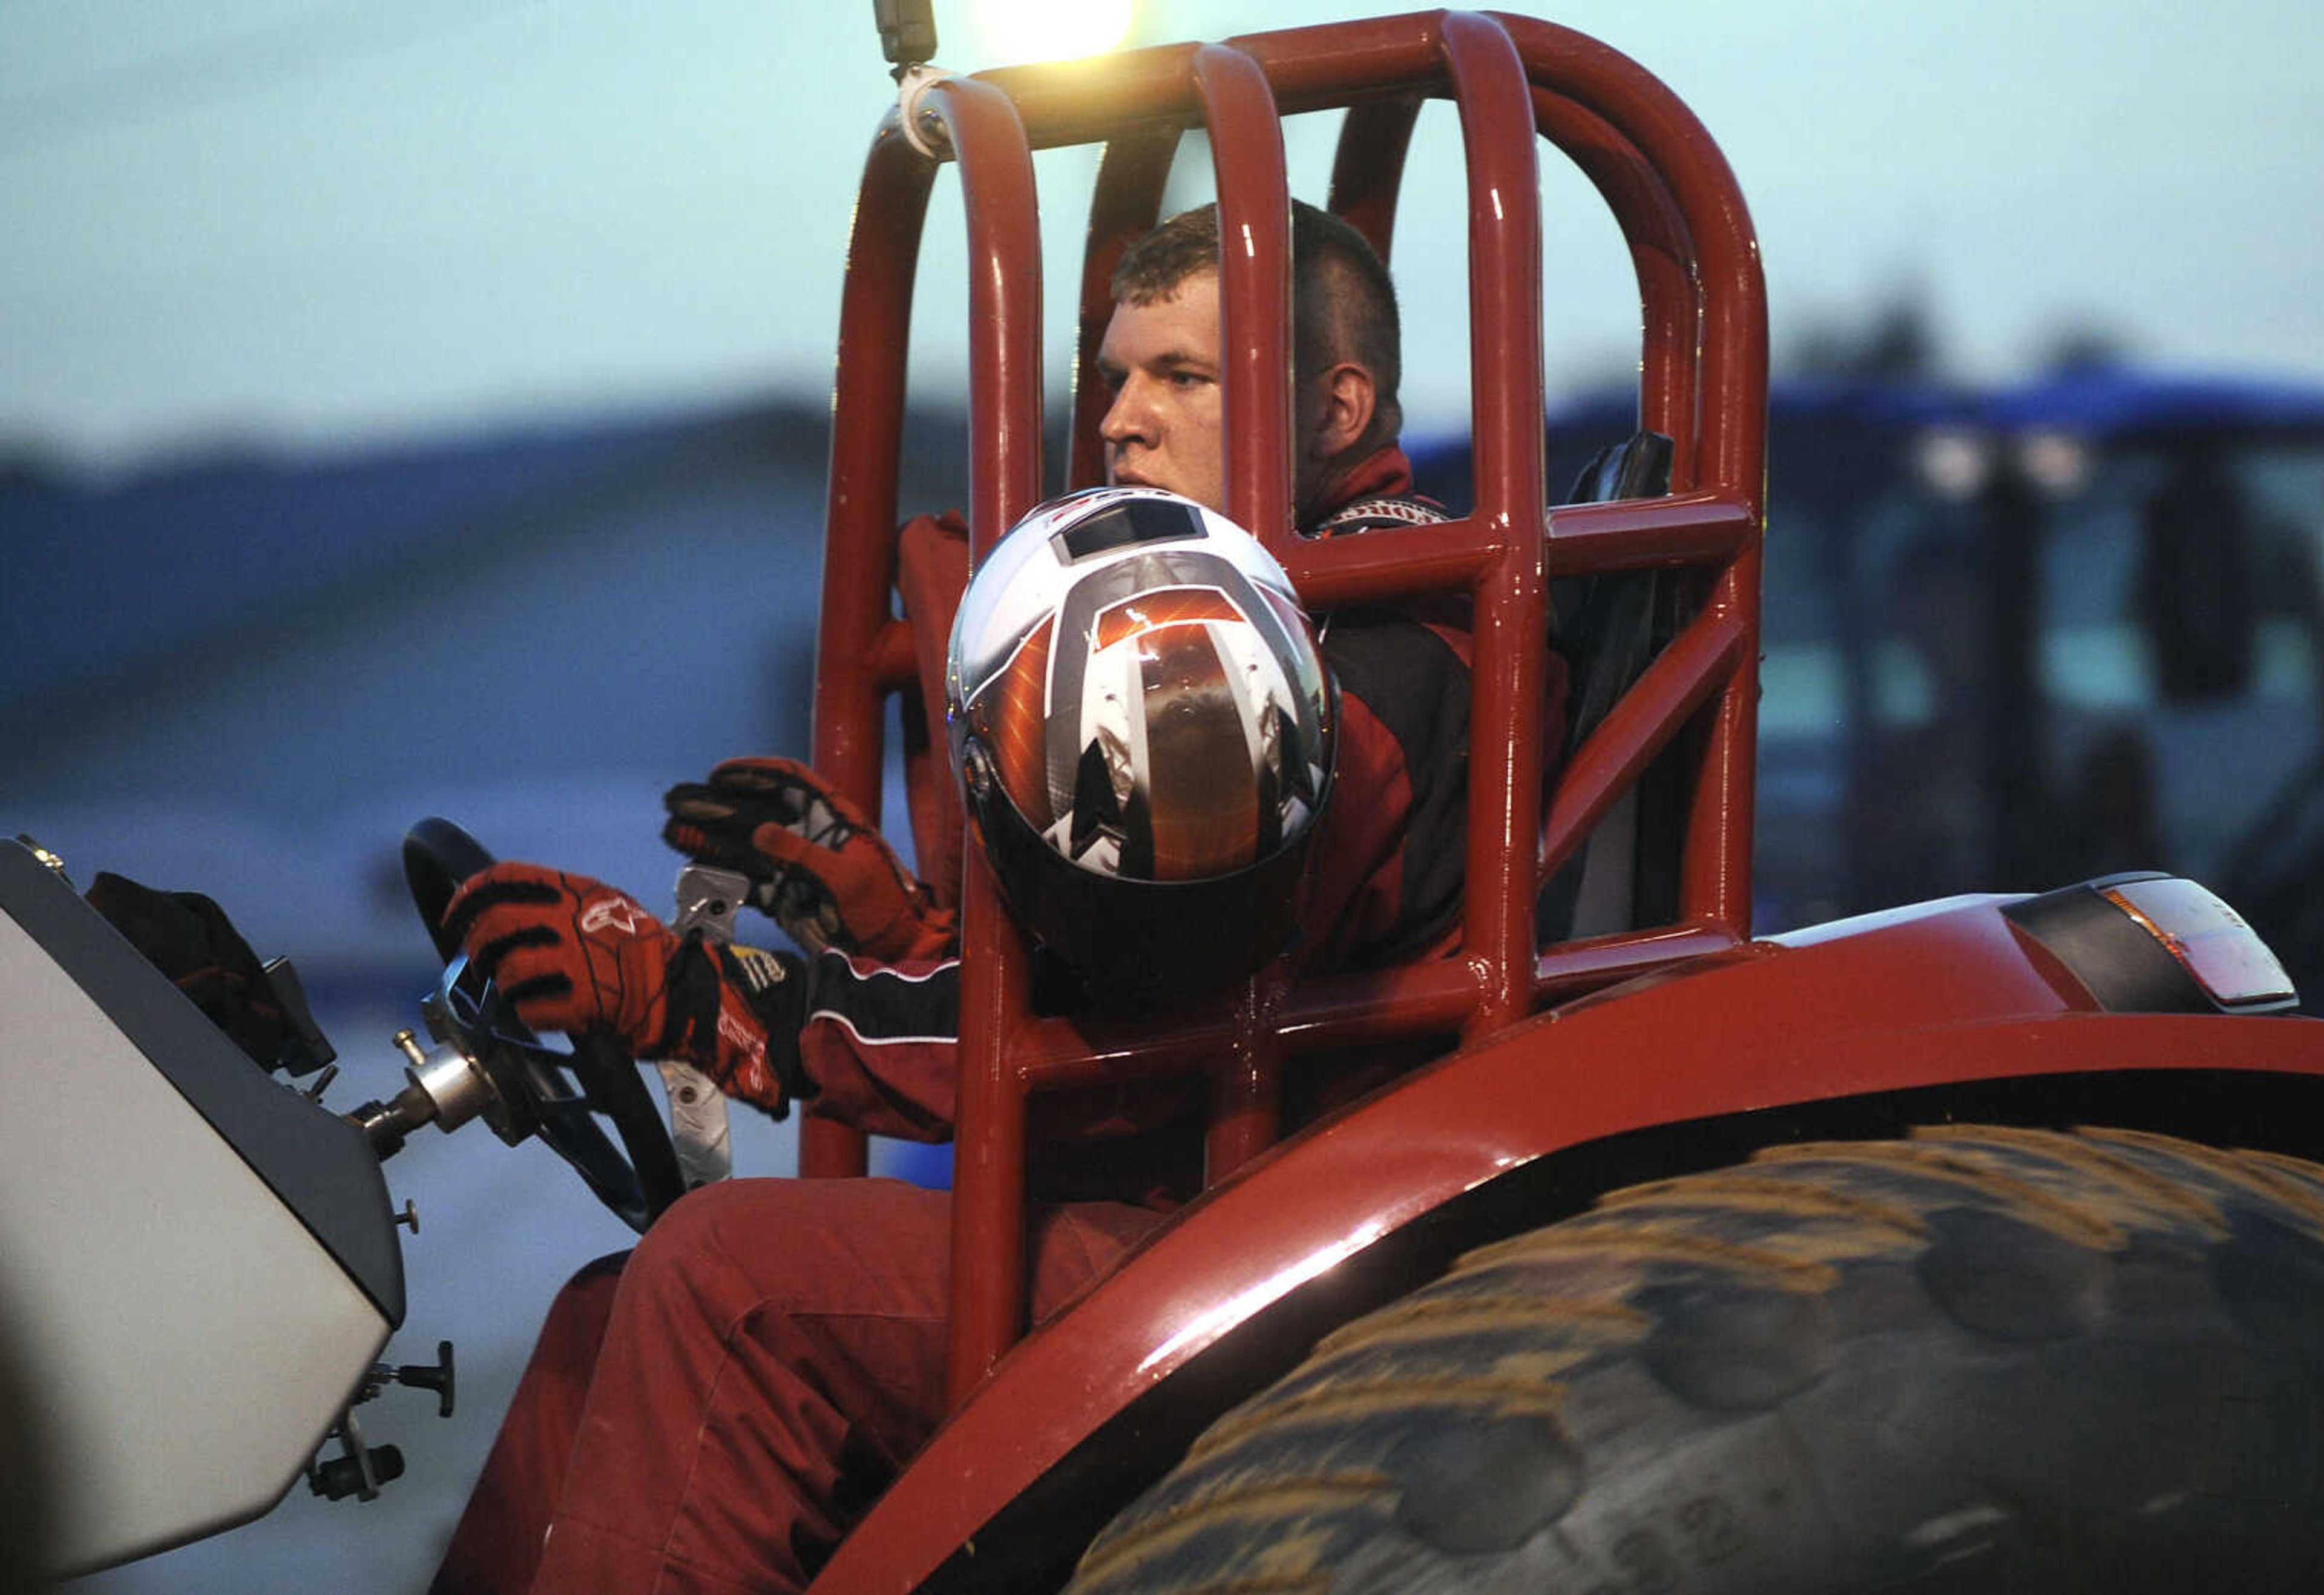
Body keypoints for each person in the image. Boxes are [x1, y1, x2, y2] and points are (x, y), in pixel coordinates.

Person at [430, 200, 1555, 1595]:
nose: (1121, 423)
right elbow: (1141, 977)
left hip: (1278, 1225)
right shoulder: (1264, 623)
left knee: (726, 1279)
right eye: (1115, 376)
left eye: (1182, 379)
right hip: (1193, 1182)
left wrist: (721, 1001)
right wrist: (899, 935)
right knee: (612, 1316)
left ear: (1335, 410)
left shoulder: (1347, 671)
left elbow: (1140, 1026)